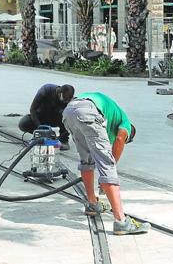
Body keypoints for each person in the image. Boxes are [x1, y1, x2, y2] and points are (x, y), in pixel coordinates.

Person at [62, 92, 149, 235]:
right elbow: (120, 139)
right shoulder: (125, 122)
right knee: (107, 165)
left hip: (69, 112)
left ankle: (92, 204)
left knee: (86, 160)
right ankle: (121, 221)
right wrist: (108, 172)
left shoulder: (108, 119)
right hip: (87, 111)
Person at [18, 84, 75, 150]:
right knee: (23, 123)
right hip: (41, 118)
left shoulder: (69, 100)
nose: (65, 101)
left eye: (68, 100)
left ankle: (63, 140)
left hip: (56, 121)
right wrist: (40, 128)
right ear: (59, 93)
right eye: (64, 100)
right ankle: (40, 136)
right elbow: (32, 109)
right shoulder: (46, 90)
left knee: (69, 117)